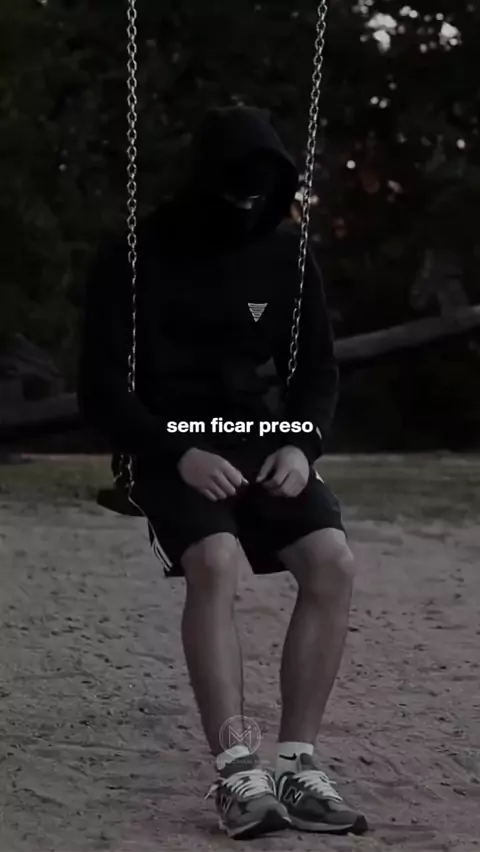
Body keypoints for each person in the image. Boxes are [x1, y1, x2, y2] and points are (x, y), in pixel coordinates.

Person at [78, 106, 368, 841]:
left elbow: (317, 371)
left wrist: (300, 445)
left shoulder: (287, 255)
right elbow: (100, 388)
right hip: (166, 443)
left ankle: (298, 767)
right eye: (233, 192)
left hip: (261, 439)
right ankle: (239, 773)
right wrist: (176, 449)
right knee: (215, 560)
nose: (246, 207)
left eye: (259, 196)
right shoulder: (134, 256)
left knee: (333, 562)